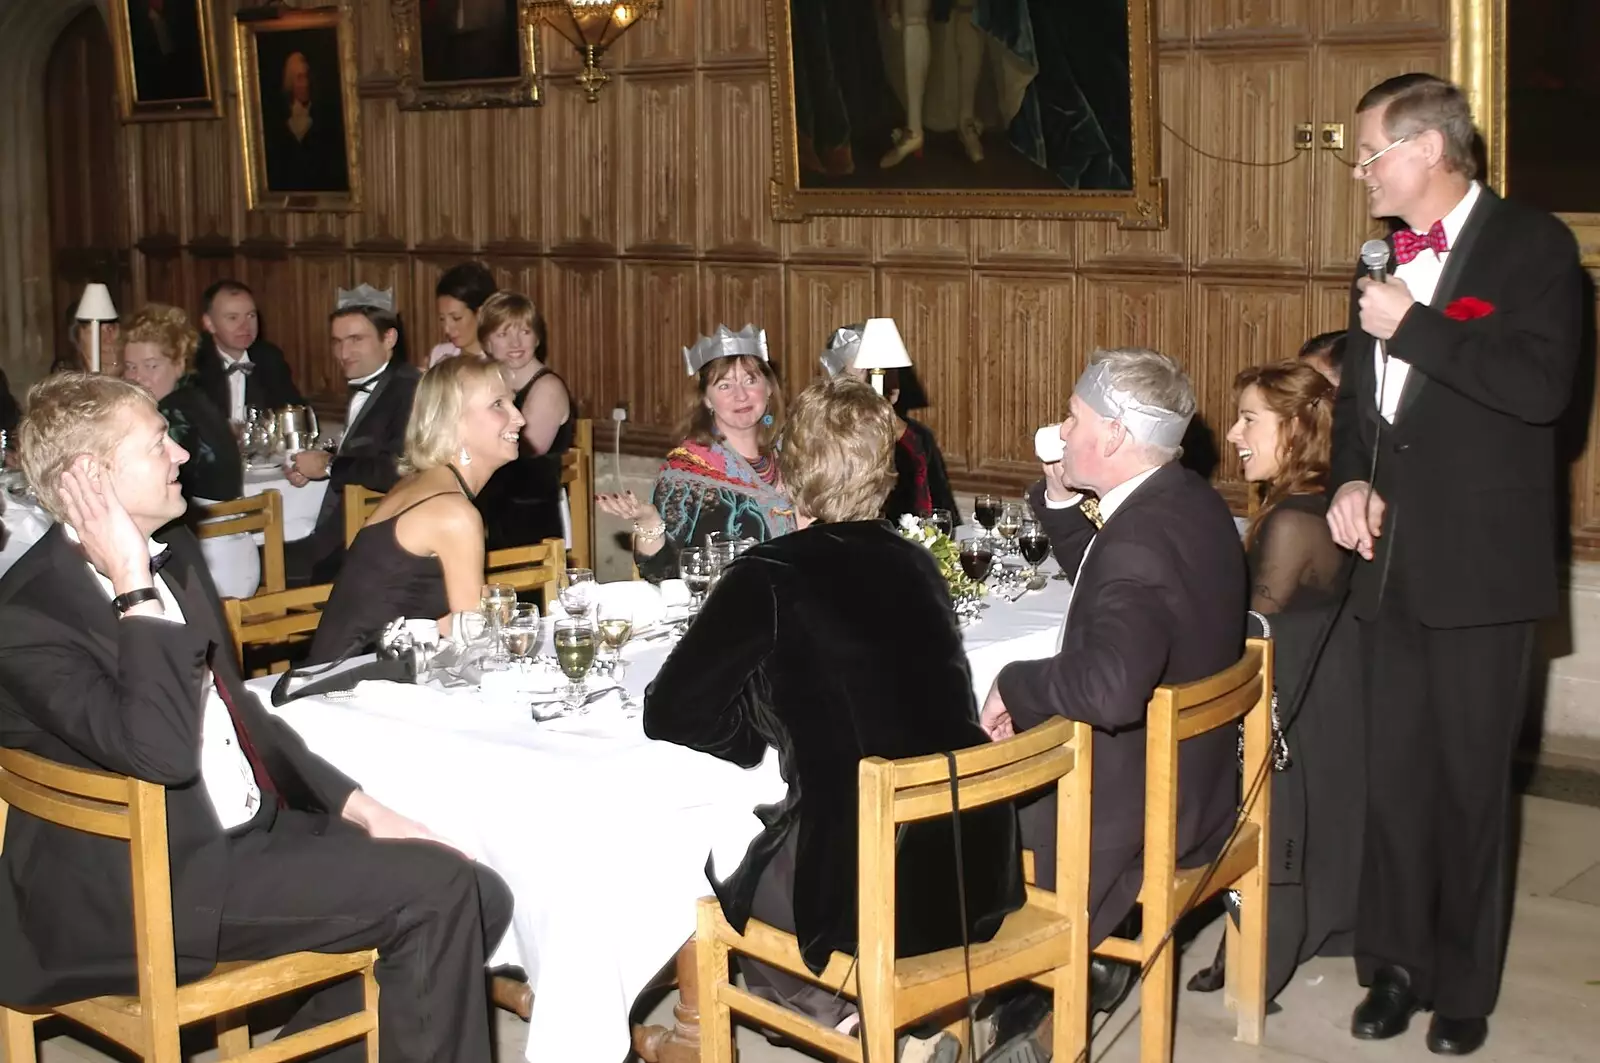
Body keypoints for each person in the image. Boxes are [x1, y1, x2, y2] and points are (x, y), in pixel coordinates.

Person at [0, 373, 512, 1063]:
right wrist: (130, 582)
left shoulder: (172, 555)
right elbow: (161, 752)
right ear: (91, 477)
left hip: (237, 833)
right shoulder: (29, 613)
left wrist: (362, 807)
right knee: (440, 893)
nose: (183, 454)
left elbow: (239, 712)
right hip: (146, 887)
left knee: (478, 890)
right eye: (159, 444)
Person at [645, 376, 1023, 1059]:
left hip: (871, 883)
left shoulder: (769, 572)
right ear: (884, 474)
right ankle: (911, 1017)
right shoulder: (915, 563)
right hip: (970, 863)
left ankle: (853, 1016)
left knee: (699, 854)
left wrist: (748, 732)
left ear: (789, 474)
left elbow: (670, 710)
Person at [1326, 73, 1582, 1056]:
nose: (1359, 171)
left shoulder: (1532, 246)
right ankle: (1390, 966)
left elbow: (1539, 390)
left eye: (1370, 153)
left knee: (1470, 786)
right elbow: (1361, 412)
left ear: (1428, 150)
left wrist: (1416, 325)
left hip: (1482, 571)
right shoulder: (1378, 258)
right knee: (1390, 779)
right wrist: (1350, 481)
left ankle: (1462, 986)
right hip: (1385, 565)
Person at [975, 348, 1246, 1060]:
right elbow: (1113, 580)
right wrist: (1061, 498)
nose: (1061, 431)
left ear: (1119, 435)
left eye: (1074, 417)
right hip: (1202, 778)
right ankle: (1050, 987)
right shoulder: (1185, 500)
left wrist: (1014, 681)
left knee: (944, 782)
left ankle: (993, 987)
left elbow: (1110, 686)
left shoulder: (1141, 538)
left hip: (1132, 807)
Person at [1186, 361, 1362, 1004]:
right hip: (1318, 699)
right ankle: (1242, 940)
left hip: (1288, 711)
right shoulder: (1304, 502)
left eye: (1250, 419)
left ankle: (1253, 945)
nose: (1233, 433)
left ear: (1296, 429)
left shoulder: (1293, 522)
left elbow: (1247, 632)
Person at [309, 356, 522, 663]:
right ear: (454, 421)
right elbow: (475, 643)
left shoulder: (422, 483)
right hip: (350, 692)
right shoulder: (452, 512)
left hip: (358, 672)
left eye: (513, 403)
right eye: (499, 405)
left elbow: (444, 618)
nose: (519, 418)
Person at [596, 324, 796, 582]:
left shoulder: (793, 455)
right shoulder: (686, 474)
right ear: (706, 400)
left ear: (769, 388)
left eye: (750, 380)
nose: (741, 395)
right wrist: (649, 523)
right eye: (725, 386)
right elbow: (662, 574)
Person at [285, 286, 421, 586]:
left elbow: (397, 470)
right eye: (337, 342)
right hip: (345, 532)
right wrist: (317, 465)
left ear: (390, 339)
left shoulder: (409, 390)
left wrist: (329, 465)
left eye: (356, 340)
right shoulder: (378, 383)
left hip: (369, 545)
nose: (343, 354)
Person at [820, 321, 961, 525]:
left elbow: (944, 515)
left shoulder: (916, 438)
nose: (882, 378)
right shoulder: (822, 436)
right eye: (868, 371)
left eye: (888, 369)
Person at [472, 292, 573, 550]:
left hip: (530, 512)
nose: (515, 342)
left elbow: (524, 452)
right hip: (490, 502)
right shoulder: (485, 384)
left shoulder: (547, 387)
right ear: (486, 342)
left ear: (537, 337)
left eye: (525, 332)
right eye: (503, 334)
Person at [121, 303, 242, 504]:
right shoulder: (194, 399)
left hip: (207, 531)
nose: (138, 378)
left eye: (151, 366)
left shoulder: (172, 413)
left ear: (179, 365)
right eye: (131, 367)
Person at [194, 280, 304, 424]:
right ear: (209, 323)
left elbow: (296, 416)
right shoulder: (193, 362)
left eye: (251, 315)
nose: (245, 326)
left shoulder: (270, 359)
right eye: (233, 318)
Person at [263, 50, 349, 194]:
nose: (305, 83)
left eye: (307, 77)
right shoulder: (279, 125)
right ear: (291, 82)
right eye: (300, 78)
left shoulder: (324, 120)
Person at [428, 261, 499, 367]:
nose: (446, 329)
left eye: (456, 318)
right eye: (442, 319)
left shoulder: (500, 360)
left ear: (481, 312)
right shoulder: (440, 355)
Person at [53, 310, 123, 377]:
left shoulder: (131, 374)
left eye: (111, 328)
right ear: (78, 341)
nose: (107, 339)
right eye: (95, 330)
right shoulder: (66, 379)